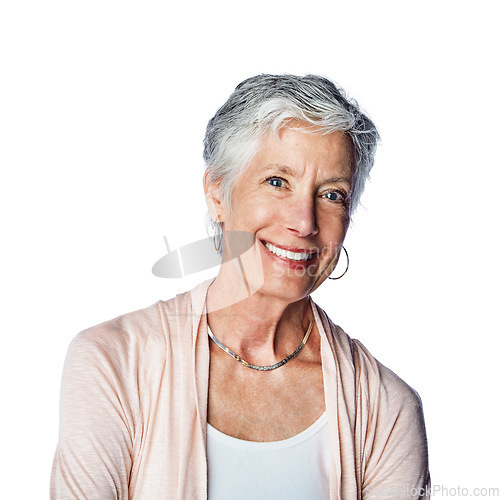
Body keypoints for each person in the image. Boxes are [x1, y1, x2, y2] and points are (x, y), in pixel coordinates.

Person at [51, 74, 430, 499]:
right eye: (276, 182)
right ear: (218, 192)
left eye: (331, 195)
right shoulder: (114, 361)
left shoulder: (387, 407)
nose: (303, 222)